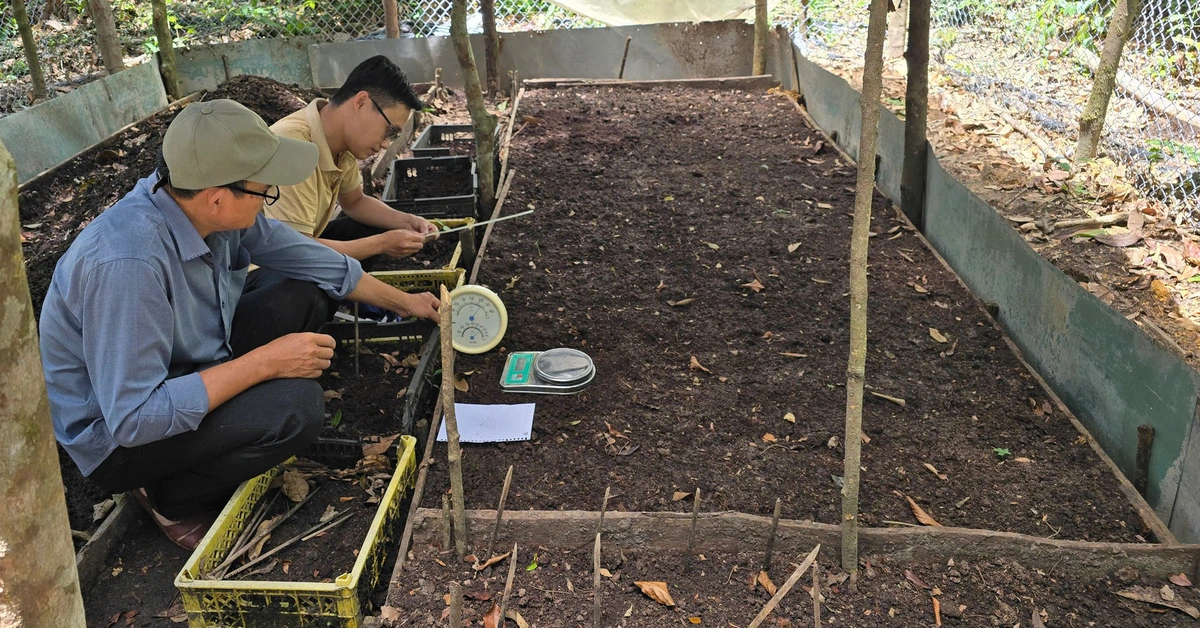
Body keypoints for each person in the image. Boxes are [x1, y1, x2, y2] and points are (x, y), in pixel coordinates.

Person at [39, 99, 440, 551]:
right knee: (296, 408)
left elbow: (311, 259)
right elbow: (135, 417)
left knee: (303, 288)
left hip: (186, 365)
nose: (271, 194)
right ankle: (169, 496)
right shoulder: (128, 264)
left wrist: (406, 302)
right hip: (121, 437)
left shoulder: (196, 203)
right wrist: (266, 363)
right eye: (265, 188)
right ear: (217, 198)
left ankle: (212, 439)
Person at [265, 54, 438, 271]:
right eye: (390, 131)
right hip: (260, 271)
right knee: (307, 291)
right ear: (362, 102)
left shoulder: (340, 145)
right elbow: (295, 251)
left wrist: (408, 222)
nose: (386, 144)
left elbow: (354, 202)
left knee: (369, 228)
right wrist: (382, 244)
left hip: (298, 246)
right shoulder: (293, 145)